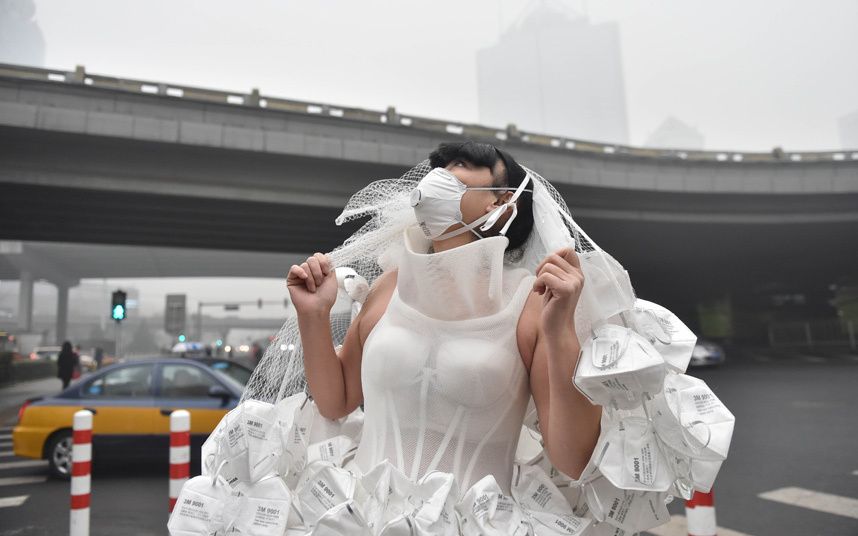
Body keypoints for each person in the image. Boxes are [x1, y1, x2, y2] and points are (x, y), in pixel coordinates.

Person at [287, 141, 601, 495]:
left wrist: (560, 331)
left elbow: (574, 461)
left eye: (462, 164)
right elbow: (336, 402)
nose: (440, 175)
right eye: (441, 167)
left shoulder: (533, 302)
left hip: (476, 519)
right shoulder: (390, 286)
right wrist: (313, 315)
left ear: (501, 202)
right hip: (359, 512)